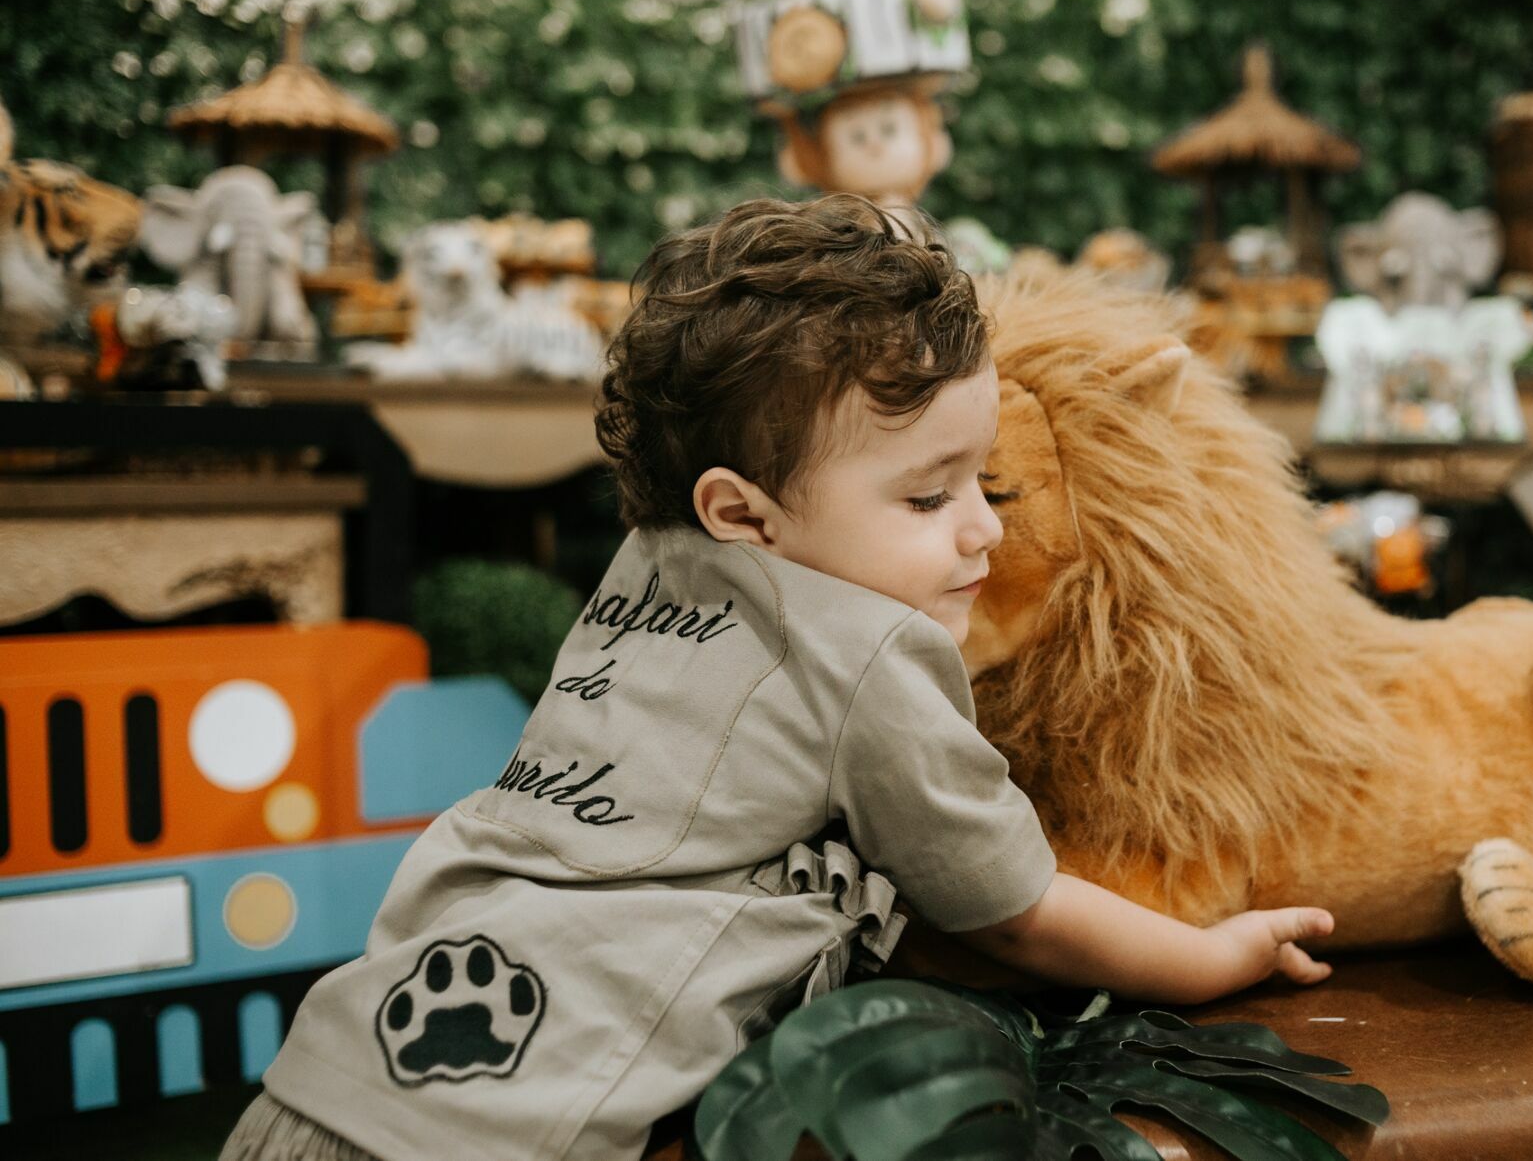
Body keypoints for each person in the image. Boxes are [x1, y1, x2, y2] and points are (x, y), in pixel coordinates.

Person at [222, 195, 1334, 1161]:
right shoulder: (867, 653)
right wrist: (1206, 956)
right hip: (531, 1110)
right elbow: (1018, 908)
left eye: (983, 483)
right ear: (741, 512)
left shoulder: (645, 573)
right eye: (928, 497)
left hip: (332, 1068)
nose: (985, 532)